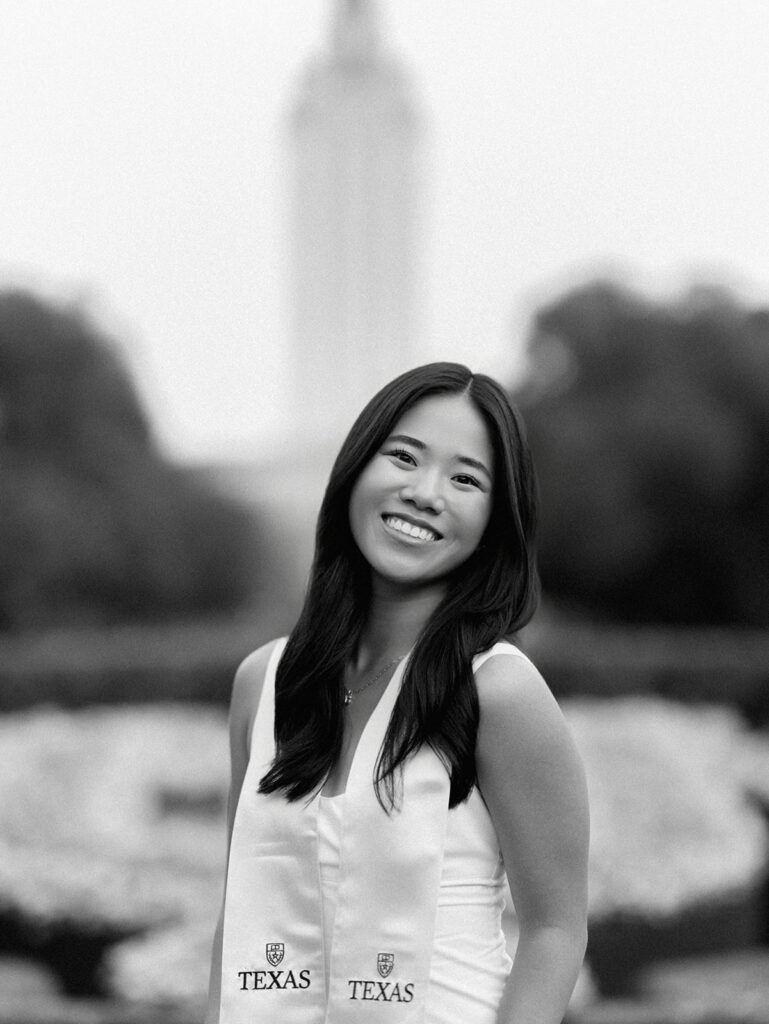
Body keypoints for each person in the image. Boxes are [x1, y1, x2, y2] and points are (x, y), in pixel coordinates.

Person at [206, 362, 589, 1024]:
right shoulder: (263, 685)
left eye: (464, 478)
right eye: (403, 458)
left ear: (495, 519)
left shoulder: (497, 692)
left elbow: (555, 931)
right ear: (355, 470)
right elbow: (239, 909)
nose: (424, 492)